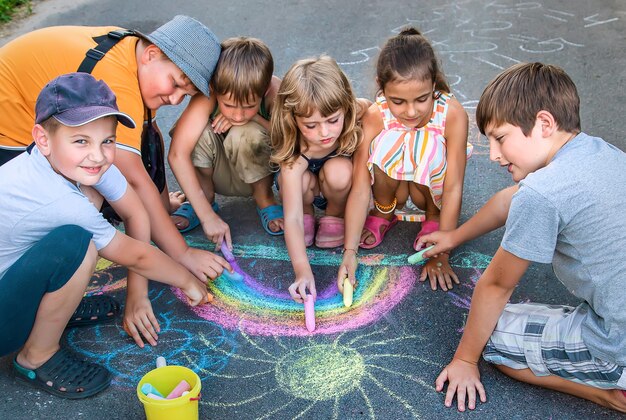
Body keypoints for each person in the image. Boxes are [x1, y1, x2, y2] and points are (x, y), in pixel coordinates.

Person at [0, 15, 228, 347]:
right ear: (151, 54)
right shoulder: (116, 82)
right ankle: (41, 336)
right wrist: (181, 254)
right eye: (177, 83)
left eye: (187, 93)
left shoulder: (132, 58)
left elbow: (147, 149)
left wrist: (161, 208)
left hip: (37, 131)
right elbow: (134, 183)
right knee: (84, 208)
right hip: (10, 134)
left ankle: (54, 294)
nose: (177, 99)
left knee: (101, 175)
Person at [415, 63, 626, 413]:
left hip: (617, 345)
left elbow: (496, 286)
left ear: (544, 124)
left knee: (494, 337)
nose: (494, 155)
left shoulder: (542, 194)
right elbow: (508, 201)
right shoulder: (600, 153)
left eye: (500, 138)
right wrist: (453, 236)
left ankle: (610, 391)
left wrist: (466, 360)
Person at [337, 27, 472, 293]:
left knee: (430, 147)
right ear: (381, 86)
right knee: (381, 146)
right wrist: (349, 252)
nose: (411, 111)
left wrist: (442, 252)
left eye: (422, 99)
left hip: (431, 195)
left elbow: (454, 186)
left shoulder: (452, 114)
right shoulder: (377, 115)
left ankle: (433, 217)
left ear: (434, 84)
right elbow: (361, 186)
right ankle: (384, 211)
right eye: (397, 101)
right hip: (394, 188)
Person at [270, 55, 370, 303]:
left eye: (332, 120)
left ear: (346, 107)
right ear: (292, 118)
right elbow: (290, 218)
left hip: (334, 183)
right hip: (306, 187)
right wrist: (302, 270)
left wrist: (350, 252)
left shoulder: (355, 111)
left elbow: (369, 105)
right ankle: (309, 214)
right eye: (311, 125)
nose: (324, 132)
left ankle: (333, 215)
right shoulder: (293, 147)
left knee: (340, 173)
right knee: (295, 181)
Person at [169, 36, 283, 249]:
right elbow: (177, 153)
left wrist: (255, 118)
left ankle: (265, 199)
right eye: (229, 105)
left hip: (260, 172)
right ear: (214, 88)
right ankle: (202, 200)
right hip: (217, 174)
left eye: (249, 106)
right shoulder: (211, 93)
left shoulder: (275, 93)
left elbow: (292, 142)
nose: (238, 115)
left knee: (245, 130)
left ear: (265, 89)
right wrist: (206, 216)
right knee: (194, 133)